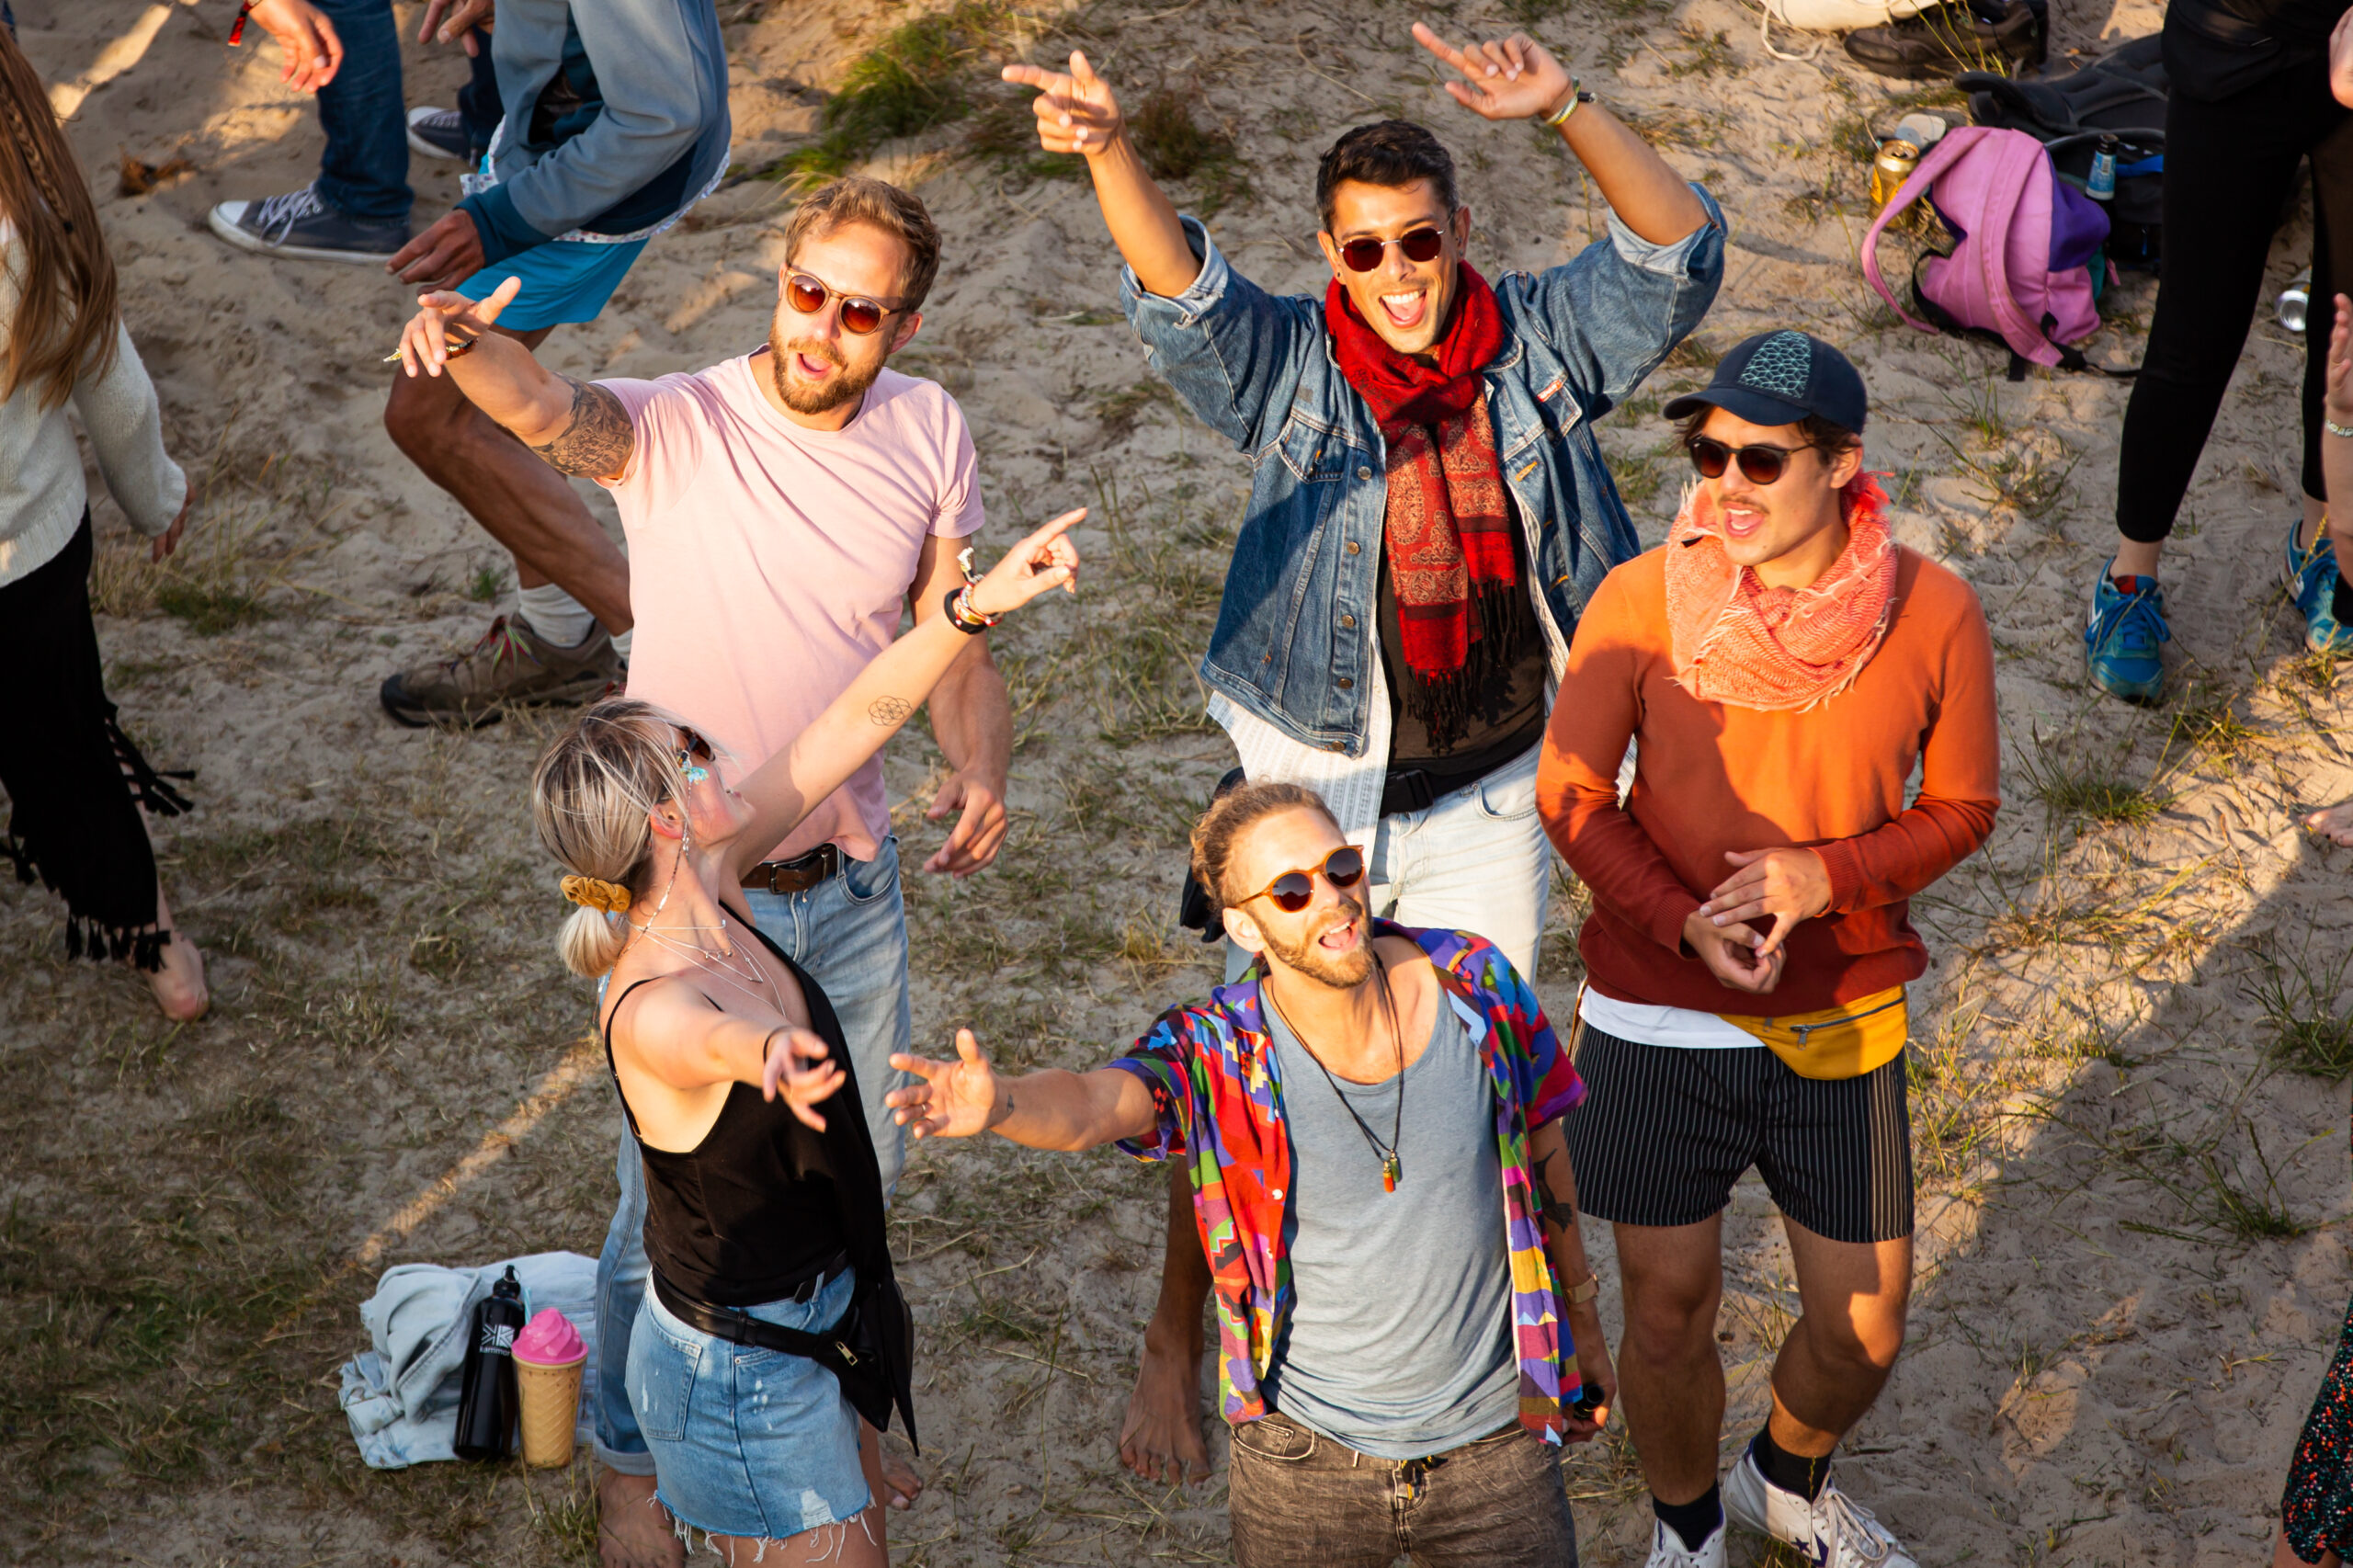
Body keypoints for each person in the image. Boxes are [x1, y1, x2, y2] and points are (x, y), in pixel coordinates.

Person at [998, 20, 1722, 1483]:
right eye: (1365, 253)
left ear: (1461, 237)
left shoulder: (1534, 342)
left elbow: (1680, 251)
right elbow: (1178, 293)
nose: (1396, 278)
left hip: (1494, 785)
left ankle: (1496, 1332)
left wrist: (1569, 105)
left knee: (1479, 1073)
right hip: (1311, 782)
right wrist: (1108, 149)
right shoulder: (1293, 367)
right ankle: (1175, 1334)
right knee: (1247, 1078)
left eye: (1418, 244)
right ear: (1329, 259)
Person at [395, 174, 1014, 1564]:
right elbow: (555, 414)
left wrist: (983, 761)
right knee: (654, 1219)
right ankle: (628, 1464)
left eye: (862, 311)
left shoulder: (931, 433)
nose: (825, 329)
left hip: (845, 889)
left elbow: (948, 628)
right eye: (809, 292)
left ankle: (843, 1405)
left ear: (902, 327)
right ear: (776, 278)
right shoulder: (680, 422)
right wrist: (464, 340)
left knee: (858, 1178)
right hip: (694, 905)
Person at [529, 509, 1078, 1568]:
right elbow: (698, 1040)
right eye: (689, 753)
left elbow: (858, 717)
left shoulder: (719, 879)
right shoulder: (648, 999)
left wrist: (979, 604)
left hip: (824, 1315)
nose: (716, 749)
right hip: (744, 1373)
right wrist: (764, 1054)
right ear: (663, 822)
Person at [1536, 330, 2000, 1567]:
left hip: (1839, 1010)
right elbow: (1572, 794)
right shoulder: (1639, 602)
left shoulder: (1937, 611)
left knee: (1866, 1327)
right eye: (1708, 453)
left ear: (1846, 464)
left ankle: (1779, 1479)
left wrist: (1827, 874)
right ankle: (1686, 1531)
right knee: (1673, 1311)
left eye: (1760, 458)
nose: (1724, 485)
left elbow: (1964, 807)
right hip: (1655, 1010)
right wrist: (1680, 917)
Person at [882, 780, 1611, 1567]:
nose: (1332, 901)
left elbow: (1543, 1142)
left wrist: (1584, 1317)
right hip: (1304, 1463)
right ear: (1244, 925)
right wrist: (1004, 1106)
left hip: (1496, 1442)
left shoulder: (1474, 982)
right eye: (1292, 891)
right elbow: (1098, 1105)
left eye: (1340, 868)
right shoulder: (1216, 1050)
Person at [375, 0, 733, 727]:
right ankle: (560, 635)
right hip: (565, 150)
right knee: (482, 409)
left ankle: (666, 657)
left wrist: (500, 220)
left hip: (595, 174)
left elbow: (667, 111)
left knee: (434, 417)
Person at [0, 27, 207, 1022]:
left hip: (30, 563)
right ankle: (161, 949)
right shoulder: (36, 236)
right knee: (67, 756)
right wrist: (156, 498)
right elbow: (118, 399)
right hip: (30, 567)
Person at [2082, 0, 2353, 701]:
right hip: (2238, 44)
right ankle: (2129, 580)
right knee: (2193, 334)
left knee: (2347, 331)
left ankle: (2319, 545)